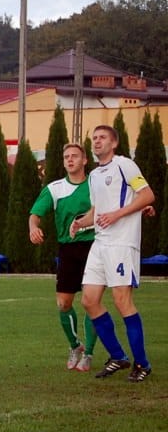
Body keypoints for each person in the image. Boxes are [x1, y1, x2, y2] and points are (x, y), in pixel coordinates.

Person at [69, 124, 155, 382]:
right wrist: (80, 222)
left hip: (122, 243)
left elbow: (148, 195)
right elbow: (97, 211)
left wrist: (118, 214)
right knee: (89, 300)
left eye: (102, 137)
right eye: (94, 138)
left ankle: (142, 363)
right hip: (100, 243)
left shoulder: (124, 165)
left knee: (121, 301)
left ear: (114, 142)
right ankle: (118, 356)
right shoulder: (94, 175)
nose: (96, 142)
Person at [29, 143, 96, 372]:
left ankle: (89, 353)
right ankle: (75, 346)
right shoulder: (55, 188)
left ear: (85, 160)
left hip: (94, 248)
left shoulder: (96, 185)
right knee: (63, 303)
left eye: (74, 156)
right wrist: (33, 228)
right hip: (68, 250)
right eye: (66, 156)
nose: (69, 160)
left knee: (91, 302)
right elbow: (35, 214)